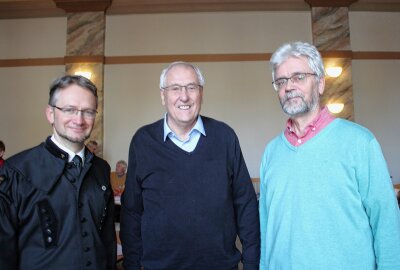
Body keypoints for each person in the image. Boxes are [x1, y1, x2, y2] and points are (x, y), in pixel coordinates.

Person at [259, 41, 400, 269]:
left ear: (321, 83)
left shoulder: (360, 142)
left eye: (299, 77)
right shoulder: (271, 152)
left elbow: (386, 222)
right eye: (281, 81)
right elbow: (266, 227)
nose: (289, 87)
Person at [120, 61, 260, 270]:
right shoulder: (142, 141)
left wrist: (252, 264)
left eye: (191, 87)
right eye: (175, 88)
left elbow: (245, 204)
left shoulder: (225, 137)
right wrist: (132, 265)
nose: (183, 96)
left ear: (201, 93)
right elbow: (131, 211)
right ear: (163, 95)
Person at [0, 75, 116, 270]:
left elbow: (107, 240)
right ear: (50, 114)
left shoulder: (101, 169)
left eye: (88, 111)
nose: (79, 120)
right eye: (69, 109)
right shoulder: (17, 171)